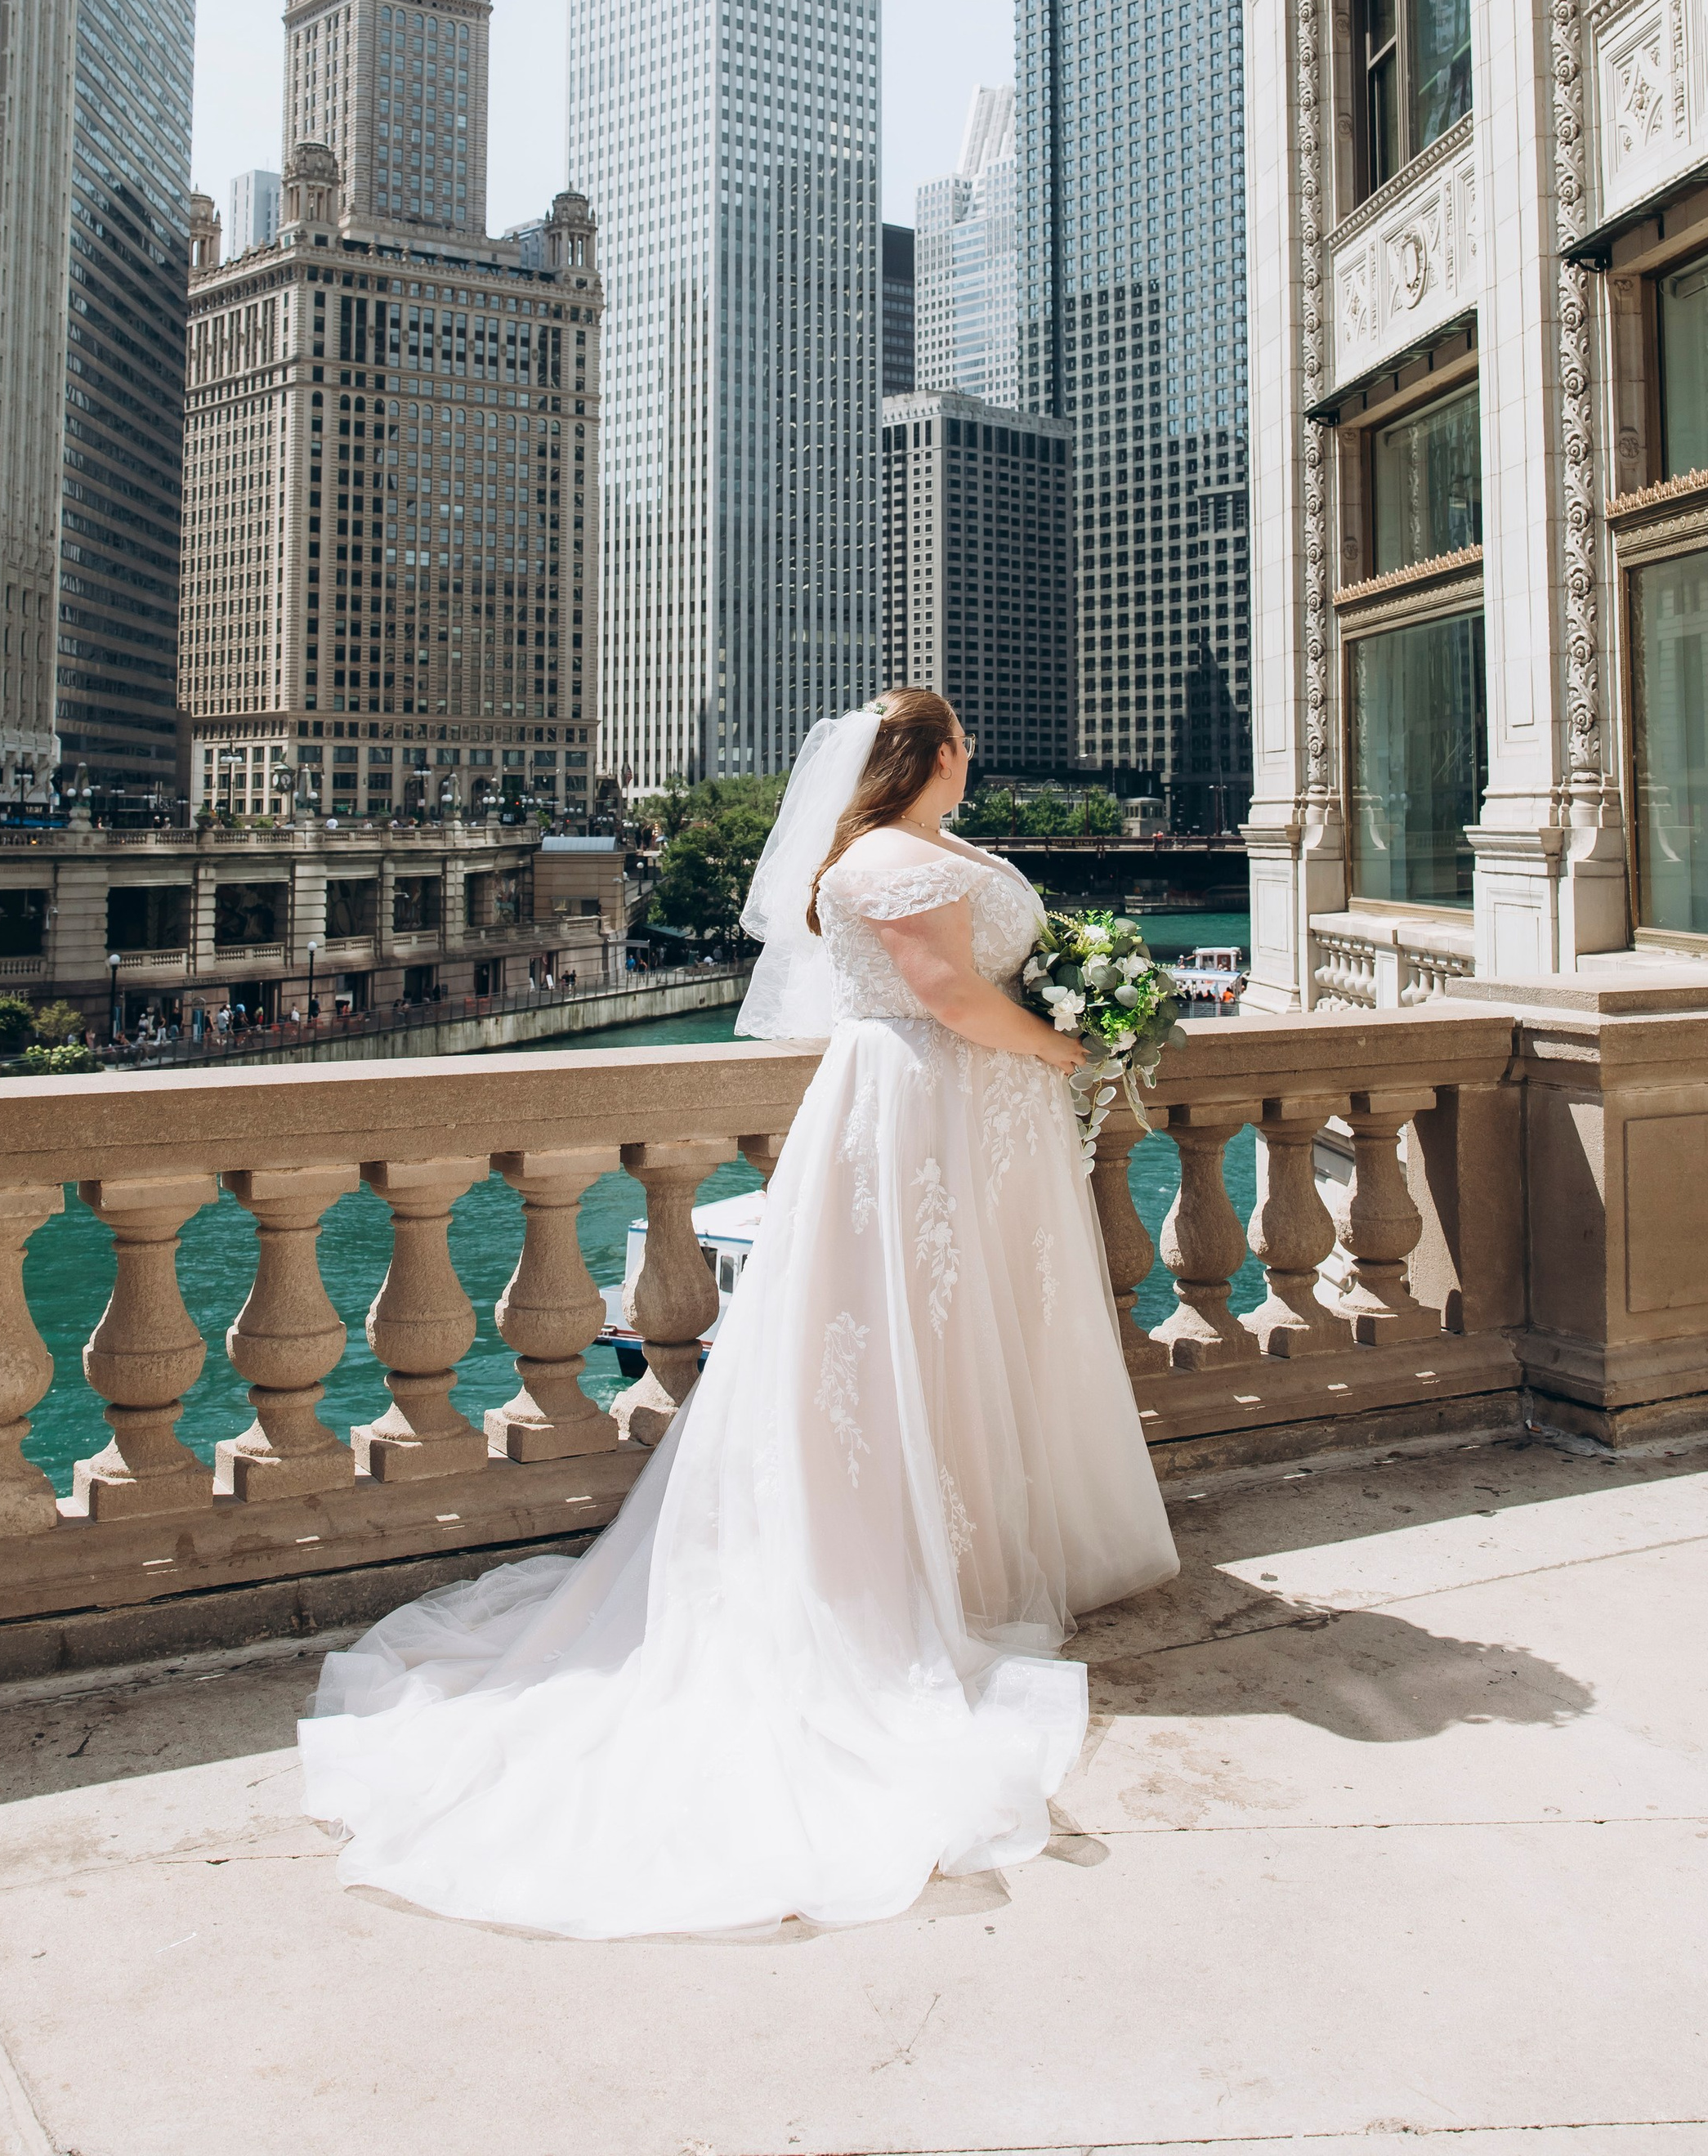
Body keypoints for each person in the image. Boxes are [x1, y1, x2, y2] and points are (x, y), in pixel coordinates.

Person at [302, 688, 1176, 1939]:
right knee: (903, 1336)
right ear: (929, 755)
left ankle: (971, 1549)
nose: (972, 756)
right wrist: (1059, 1046)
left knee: (960, 1335)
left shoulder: (925, 850)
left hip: (963, 1118)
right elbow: (944, 991)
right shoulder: (882, 861)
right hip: (918, 1108)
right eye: (961, 743)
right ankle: (891, 1575)